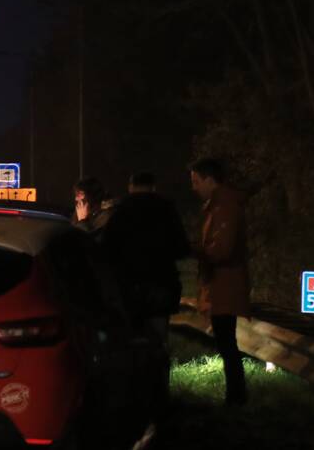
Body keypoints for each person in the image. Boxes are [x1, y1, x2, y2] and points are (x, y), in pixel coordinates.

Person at [103, 172, 191, 343]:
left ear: (131, 187)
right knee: (158, 338)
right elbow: (181, 248)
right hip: (161, 282)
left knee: (133, 339)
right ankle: (158, 366)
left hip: (128, 286)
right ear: (153, 187)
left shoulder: (119, 212)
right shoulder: (166, 209)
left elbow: (108, 249)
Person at [190, 157, 250, 405]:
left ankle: (236, 397)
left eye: (196, 181)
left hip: (224, 285)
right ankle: (235, 395)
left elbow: (222, 249)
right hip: (221, 284)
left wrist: (195, 250)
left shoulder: (224, 207)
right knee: (226, 341)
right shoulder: (219, 205)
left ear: (209, 180)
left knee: (227, 342)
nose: (194, 187)